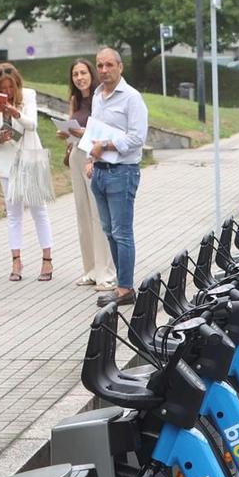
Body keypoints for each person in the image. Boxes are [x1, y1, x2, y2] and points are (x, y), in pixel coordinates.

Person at [78, 46, 147, 303]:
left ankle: (126, 289)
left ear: (120, 67)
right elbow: (95, 131)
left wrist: (105, 146)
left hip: (123, 171)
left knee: (122, 231)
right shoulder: (97, 96)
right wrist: (90, 158)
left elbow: (138, 137)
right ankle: (121, 284)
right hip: (101, 171)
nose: (104, 71)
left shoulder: (131, 97)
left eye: (109, 65)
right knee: (108, 230)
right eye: (100, 65)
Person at [0, 62, 54, 281]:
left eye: (10, 88)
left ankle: (47, 260)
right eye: (2, 88)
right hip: (7, 162)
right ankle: (16, 259)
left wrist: (15, 112)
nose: (6, 92)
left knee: (38, 211)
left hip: (30, 158)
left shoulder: (28, 96)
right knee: (13, 214)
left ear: (16, 85)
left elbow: (32, 125)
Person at [57, 58, 115, 289]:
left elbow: (103, 131)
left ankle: (106, 273)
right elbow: (73, 127)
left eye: (83, 73)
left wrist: (84, 135)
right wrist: (67, 135)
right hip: (76, 155)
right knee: (82, 215)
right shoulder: (75, 100)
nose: (79, 78)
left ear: (91, 74)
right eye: (75, 74)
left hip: (94, 156)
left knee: (98, 215)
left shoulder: (100, 99)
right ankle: (90, 269)